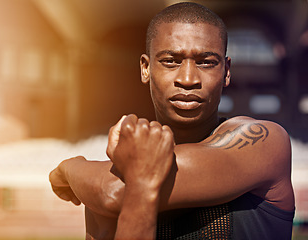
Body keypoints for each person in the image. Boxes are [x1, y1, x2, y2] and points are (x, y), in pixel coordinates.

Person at [49, 2, 295, 239]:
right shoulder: (115, 167)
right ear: (146, 69)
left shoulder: (264, 141)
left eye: (206, 62)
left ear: (226, 72)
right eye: (171, 61)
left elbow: (113, 193)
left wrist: (69, 168)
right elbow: (107, 197)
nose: (188, 79)